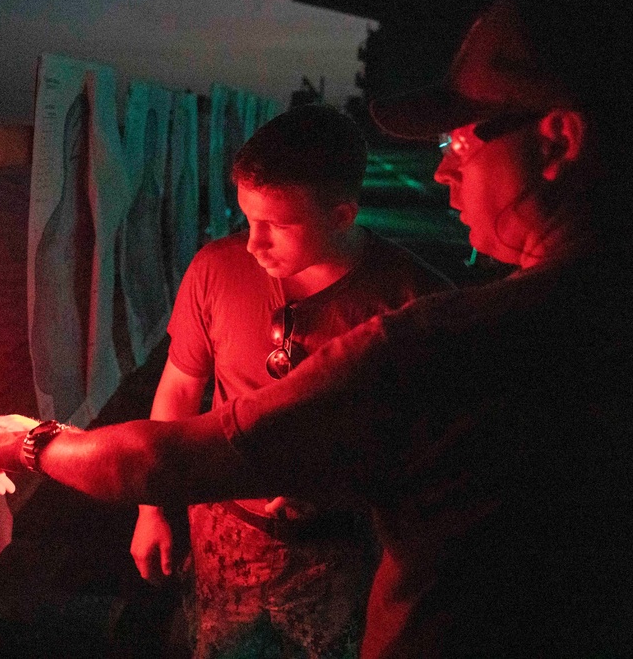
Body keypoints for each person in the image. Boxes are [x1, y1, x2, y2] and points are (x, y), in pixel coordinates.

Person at [0, 0, 633, 657]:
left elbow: (165, 459)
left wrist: (34, 442)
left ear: (560, 139)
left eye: (460, 139)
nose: (443, 170)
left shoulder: (440, 346)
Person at [129, 105, 453, 658]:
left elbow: (433, 448)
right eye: (246, 219)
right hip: (222, 538)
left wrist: (342, 478)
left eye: (277, 225)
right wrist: (151, 508)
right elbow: (180, 389)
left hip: (343, 551)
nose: (254, 244)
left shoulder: (410, 301)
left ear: (342, 214)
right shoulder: (216, 268)